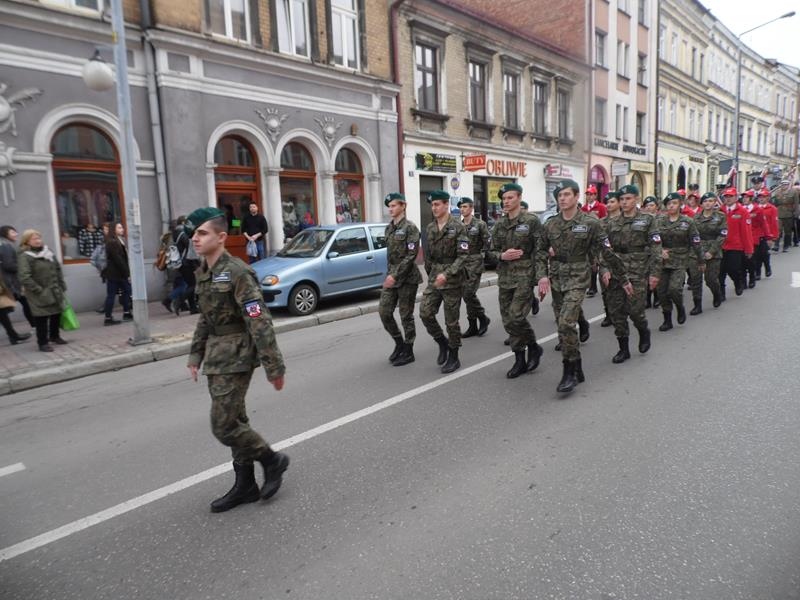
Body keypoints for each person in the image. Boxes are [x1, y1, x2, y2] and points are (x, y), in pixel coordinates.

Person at [185, 207, 289, 513]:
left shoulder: (238, 272)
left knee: (224, 425)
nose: (195, 238)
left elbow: (259, 320)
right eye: (194, 234)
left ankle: (272, 460)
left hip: (238, 355)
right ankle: (245, 484)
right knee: (237, 420)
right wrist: (195, 354)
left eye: (202, 233)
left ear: (221, 237)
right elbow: (205, 318)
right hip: (216, 356)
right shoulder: (204, 272)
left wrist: (273, 366)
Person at [537, 179, 630, 394]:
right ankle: (577, 365)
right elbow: (540, 252)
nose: (562, 198)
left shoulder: (591, 223)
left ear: (577, 197)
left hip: (579, 276)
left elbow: (606, 252)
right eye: (559, 195)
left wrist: (622, 278)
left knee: (565, 323)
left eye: (566, 194)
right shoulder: (550, 224)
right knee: (562, 323)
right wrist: (542, 276)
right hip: (557, 276)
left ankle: (569, 371)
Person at [488, 183, 544, 378]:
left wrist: (541, 277)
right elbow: (491, 252)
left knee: (516, 316)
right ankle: (522, 357)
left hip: (524, 276)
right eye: (504, 198)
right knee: (508, 322)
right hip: (505, 276)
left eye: (510, 197)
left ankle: (532, 347)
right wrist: (502, 256)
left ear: (519, 198)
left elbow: (540, 250)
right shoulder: (499, 224)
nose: (506, 201)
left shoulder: (531, 221)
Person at [601, 184, 660, 363]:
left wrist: (655, 273)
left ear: (636, 199)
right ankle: (623, 349)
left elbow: (656, 247)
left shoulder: (647, 220)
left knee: (635, 311)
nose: (624, 202)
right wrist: (604, 268)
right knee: (617, 313)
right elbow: (604, 250)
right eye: (622, 199)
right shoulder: (611, 223)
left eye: (628, 198)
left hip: (637, 271)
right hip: (616, 271)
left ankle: (643, 330)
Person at [420, 190, 469, 374]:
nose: (434, 208)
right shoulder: (430, 228)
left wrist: (447, 274)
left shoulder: (458, 227)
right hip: (435, 277)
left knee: (451, 321)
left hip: (452, 280)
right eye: (432, 205)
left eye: (437, 204)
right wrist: (432, 274)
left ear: (446, 205)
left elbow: (463, 256)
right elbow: (428, 256)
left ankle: (454, 356)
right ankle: (442, 342)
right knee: (425, 313)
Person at [379, 192, 423, 367]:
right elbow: (390, 256)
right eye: (389, 206)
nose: (390, 209)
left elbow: (411, 255)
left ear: (403, 206)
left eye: (394, 206)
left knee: (406, 315)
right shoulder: (389, 228)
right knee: (384, 312)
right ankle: (399, 343)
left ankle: (409, 350)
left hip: (407, 278)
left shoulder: (411, 228)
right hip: (392, 277)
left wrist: (394, 275)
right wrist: (390, 274)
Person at [655, 192, 703, 331]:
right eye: (669, 204)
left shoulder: (688, 222)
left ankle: (680, 306)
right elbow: (651, 240)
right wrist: (659, 250)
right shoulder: (658, 221)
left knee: (675, 289)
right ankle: (667, 319)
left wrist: (701, 260)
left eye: (674, 203)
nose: (671, 206)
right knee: (662, 292)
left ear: (680, 205)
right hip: (662, 261)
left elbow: (696, 242)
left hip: (680, 260)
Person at [17, 229, 68, 352]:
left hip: (54, 289)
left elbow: (57, 268)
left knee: (56, 313)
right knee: (41, 317)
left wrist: (61, 284)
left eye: (39, 238)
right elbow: (24, 276)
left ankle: (54, 336)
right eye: (34, 239)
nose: (38, 241)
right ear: (27, 241)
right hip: (38, 292)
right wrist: (38, 289)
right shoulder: (25, 256)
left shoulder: (47, 252)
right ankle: (42, 342)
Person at [458, 197, 490, 338]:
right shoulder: (458, 225)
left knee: (468, 293)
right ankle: (472, 326)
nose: (462, 209)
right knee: (466, 295)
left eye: (465, 206)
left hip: (475, 263)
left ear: (471, 208)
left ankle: (482, 317)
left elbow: (488, 242)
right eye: (461, 207)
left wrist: (483, 255)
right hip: (461, 264)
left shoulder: (480, 224)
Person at [693, 192, 727, 308]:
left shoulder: (721, 216)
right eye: (705, 201)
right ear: (701, 204)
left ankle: (717, 294)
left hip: (714, 250)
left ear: (715, 203)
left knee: (710, 279)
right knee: (696, 279)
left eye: (710, 201)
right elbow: (692, 235)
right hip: (697, 250)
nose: (708, 203)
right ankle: (697, 304)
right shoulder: (696, 217)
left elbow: (722, 235)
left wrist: (712, 252)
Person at [718, 187, 753, 300]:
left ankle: (738, 282)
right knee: (720, 271)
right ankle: (721, 293)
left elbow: (746, 232)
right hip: (720, 246)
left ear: (736, 198)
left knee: (733, 269)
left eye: (731, 196)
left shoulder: (742, 212)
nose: (728, 199)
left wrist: (749, 249)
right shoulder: (719, 211)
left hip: (735, 246)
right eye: (726, 197)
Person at [0, 225, 35, 329]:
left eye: (15, 232)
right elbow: (8, 265)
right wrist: (24, 267)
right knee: (26, 303)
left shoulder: (6, 244)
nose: (16, 234)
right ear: (5, 234)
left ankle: (32, 326)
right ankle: (34, 326)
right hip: (12, 282)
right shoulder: (6, 245)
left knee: (25, 303)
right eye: (12, 232)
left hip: (10, 281)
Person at [103, 222, 133, 326]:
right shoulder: (112, 242)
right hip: (115, 273)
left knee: (127, 291)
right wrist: (127, 273)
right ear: (114, 229)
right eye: (119, 228)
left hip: (119, 273)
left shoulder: (120, 240)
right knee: (112, 295)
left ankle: (126, 312)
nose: (122, 229)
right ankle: (108, 318)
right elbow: (118, 259)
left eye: (122, 227)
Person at [582, 184, 607, 298]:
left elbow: (604, 222)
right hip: (587, 239)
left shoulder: (600, 207)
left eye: (591, 194)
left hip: (597, 239)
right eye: (587, 194)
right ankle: (592, 285)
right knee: (590, 263)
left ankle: (595, 286)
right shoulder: (583, 208)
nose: (589, 196)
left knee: (597, 262)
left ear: (595, 195)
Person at [600, 191, 621, 325]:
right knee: (606, 289)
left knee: (620, 290)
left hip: (623, 260)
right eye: (607, 202)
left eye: (612, 202)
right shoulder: (601, 222)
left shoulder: (625, 220)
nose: (609, 204)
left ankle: (619, 314)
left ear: (619, 203)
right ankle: (608, 314)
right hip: (605, 259)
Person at [740, 190, 764, 289]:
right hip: (742, 238)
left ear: (751, 199)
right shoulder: (740, 209)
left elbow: (762, 223)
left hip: (754, 237)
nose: (744, 199)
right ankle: (743, 280)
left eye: (747, 197)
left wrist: (767, 236)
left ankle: (752, 277)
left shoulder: (757, 209)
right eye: (744, 197)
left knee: (751, 260)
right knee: (742, 261)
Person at [756, 187, 777, 277]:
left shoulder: (772, 208)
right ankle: (757, 272)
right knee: (756, 254)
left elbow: (774, 223)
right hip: (757, 234)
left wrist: (773, 237)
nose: (761, 199)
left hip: (767, 234)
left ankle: (767, 267)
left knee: (764, 253)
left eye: (763, 197)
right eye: (760, 197)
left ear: (768, 198)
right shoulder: (755, 208)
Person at [773, 181, 799, 252]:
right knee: (778, 229)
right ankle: (776, 245)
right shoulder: (777, 192)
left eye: (785, 185)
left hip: (789, 213)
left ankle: (786, 246)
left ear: (788, 185)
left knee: (787, 231)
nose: (784, 186)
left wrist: (796, 213)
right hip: (779, 213)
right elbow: (775, 203)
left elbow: (796, 203)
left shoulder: (793, 192)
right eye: (782, 185)